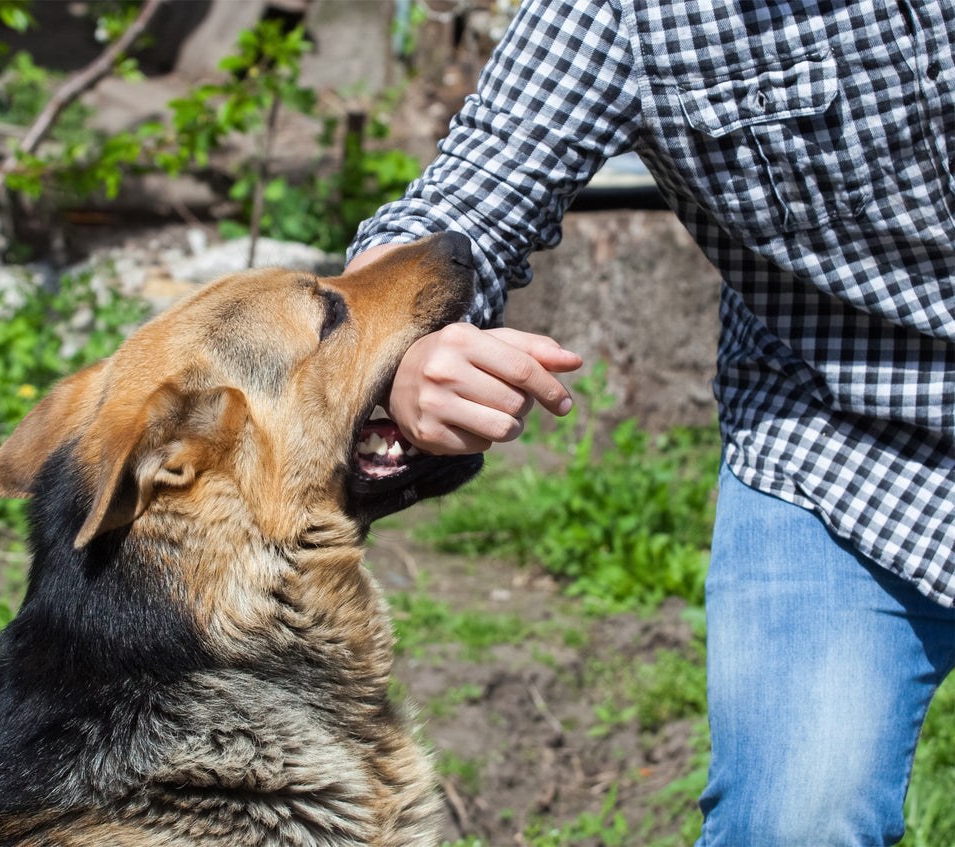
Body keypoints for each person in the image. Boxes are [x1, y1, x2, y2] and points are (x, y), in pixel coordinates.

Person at [345, 1, 955, 844]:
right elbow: (466, 197)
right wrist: (401, 350)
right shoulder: (625, 14)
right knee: (791, 821)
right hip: (838, 448)